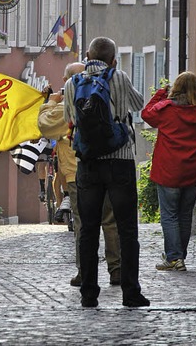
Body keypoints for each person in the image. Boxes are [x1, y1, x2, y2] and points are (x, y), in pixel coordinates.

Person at [63, 37, 149, 309]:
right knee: (127, 229)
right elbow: (138, 105)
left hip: (87, 162)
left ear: (87, 56)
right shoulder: (119, 76)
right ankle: (131, 293)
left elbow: (71, 118)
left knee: (88, 230)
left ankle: (89, 294)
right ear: (113, 59)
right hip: (119, 160)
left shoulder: (72, 83)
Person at [38, 62, 122, 287]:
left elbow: (44, 126)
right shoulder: (104, 92)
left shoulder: (65, 104)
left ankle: (85, 273)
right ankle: (116, 270)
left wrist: (49, 103)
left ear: (67, 80)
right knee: (110, 221)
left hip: (78, 174)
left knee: (84, 224)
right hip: (107, 164)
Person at [142, 71, 196, 272]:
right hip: (193, 170)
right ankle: (179, 256)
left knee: (170, 215)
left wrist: (160, 94)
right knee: (184, 215)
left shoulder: (166, 109)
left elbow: (146, 114)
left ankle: (174, 258)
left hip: (169, 170)